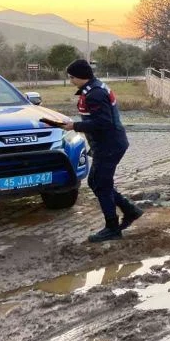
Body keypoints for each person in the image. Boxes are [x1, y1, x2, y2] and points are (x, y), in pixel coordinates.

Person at [62, 59, 143, 242]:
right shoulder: (93, 89)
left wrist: (75, 125)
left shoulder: (95, 94)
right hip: (106, 144)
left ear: (80, 76)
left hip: (109, 145)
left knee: (100, 184)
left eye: (72, 77)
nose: (70, 80)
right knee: (97, 182)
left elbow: (103, 123)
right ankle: (130, 210)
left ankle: (112, 227)